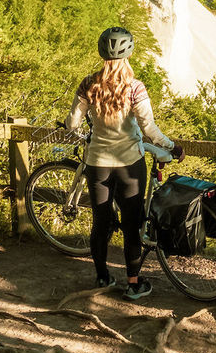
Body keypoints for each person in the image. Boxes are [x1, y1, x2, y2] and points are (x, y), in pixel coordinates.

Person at [65, 26, 184, 301]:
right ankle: (133, 284)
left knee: (101, 222)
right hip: (130, 164)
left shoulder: (88, 84)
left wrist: (81, 128)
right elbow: (149, 129)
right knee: (132, 225)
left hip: (97, 164)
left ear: (100, 52)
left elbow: (72, 123)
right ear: (129, 53)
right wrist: (171, 146)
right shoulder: (135, 87)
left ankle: (103, 276)